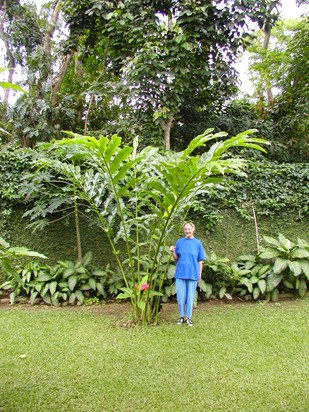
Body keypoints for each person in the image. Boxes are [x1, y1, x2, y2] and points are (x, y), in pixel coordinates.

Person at [170, 222, 205, 327]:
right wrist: (172, 251)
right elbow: (176, 258)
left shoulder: (198, 243)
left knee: (190, 297)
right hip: (180, 273)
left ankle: (188, 317)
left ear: (193, 229)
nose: (187, 231)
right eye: (185, 229)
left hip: (193, 274)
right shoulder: (179, 242)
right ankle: (181, 316)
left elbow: (200, 260)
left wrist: (200, 273)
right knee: (181, 297)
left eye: (189, 229)